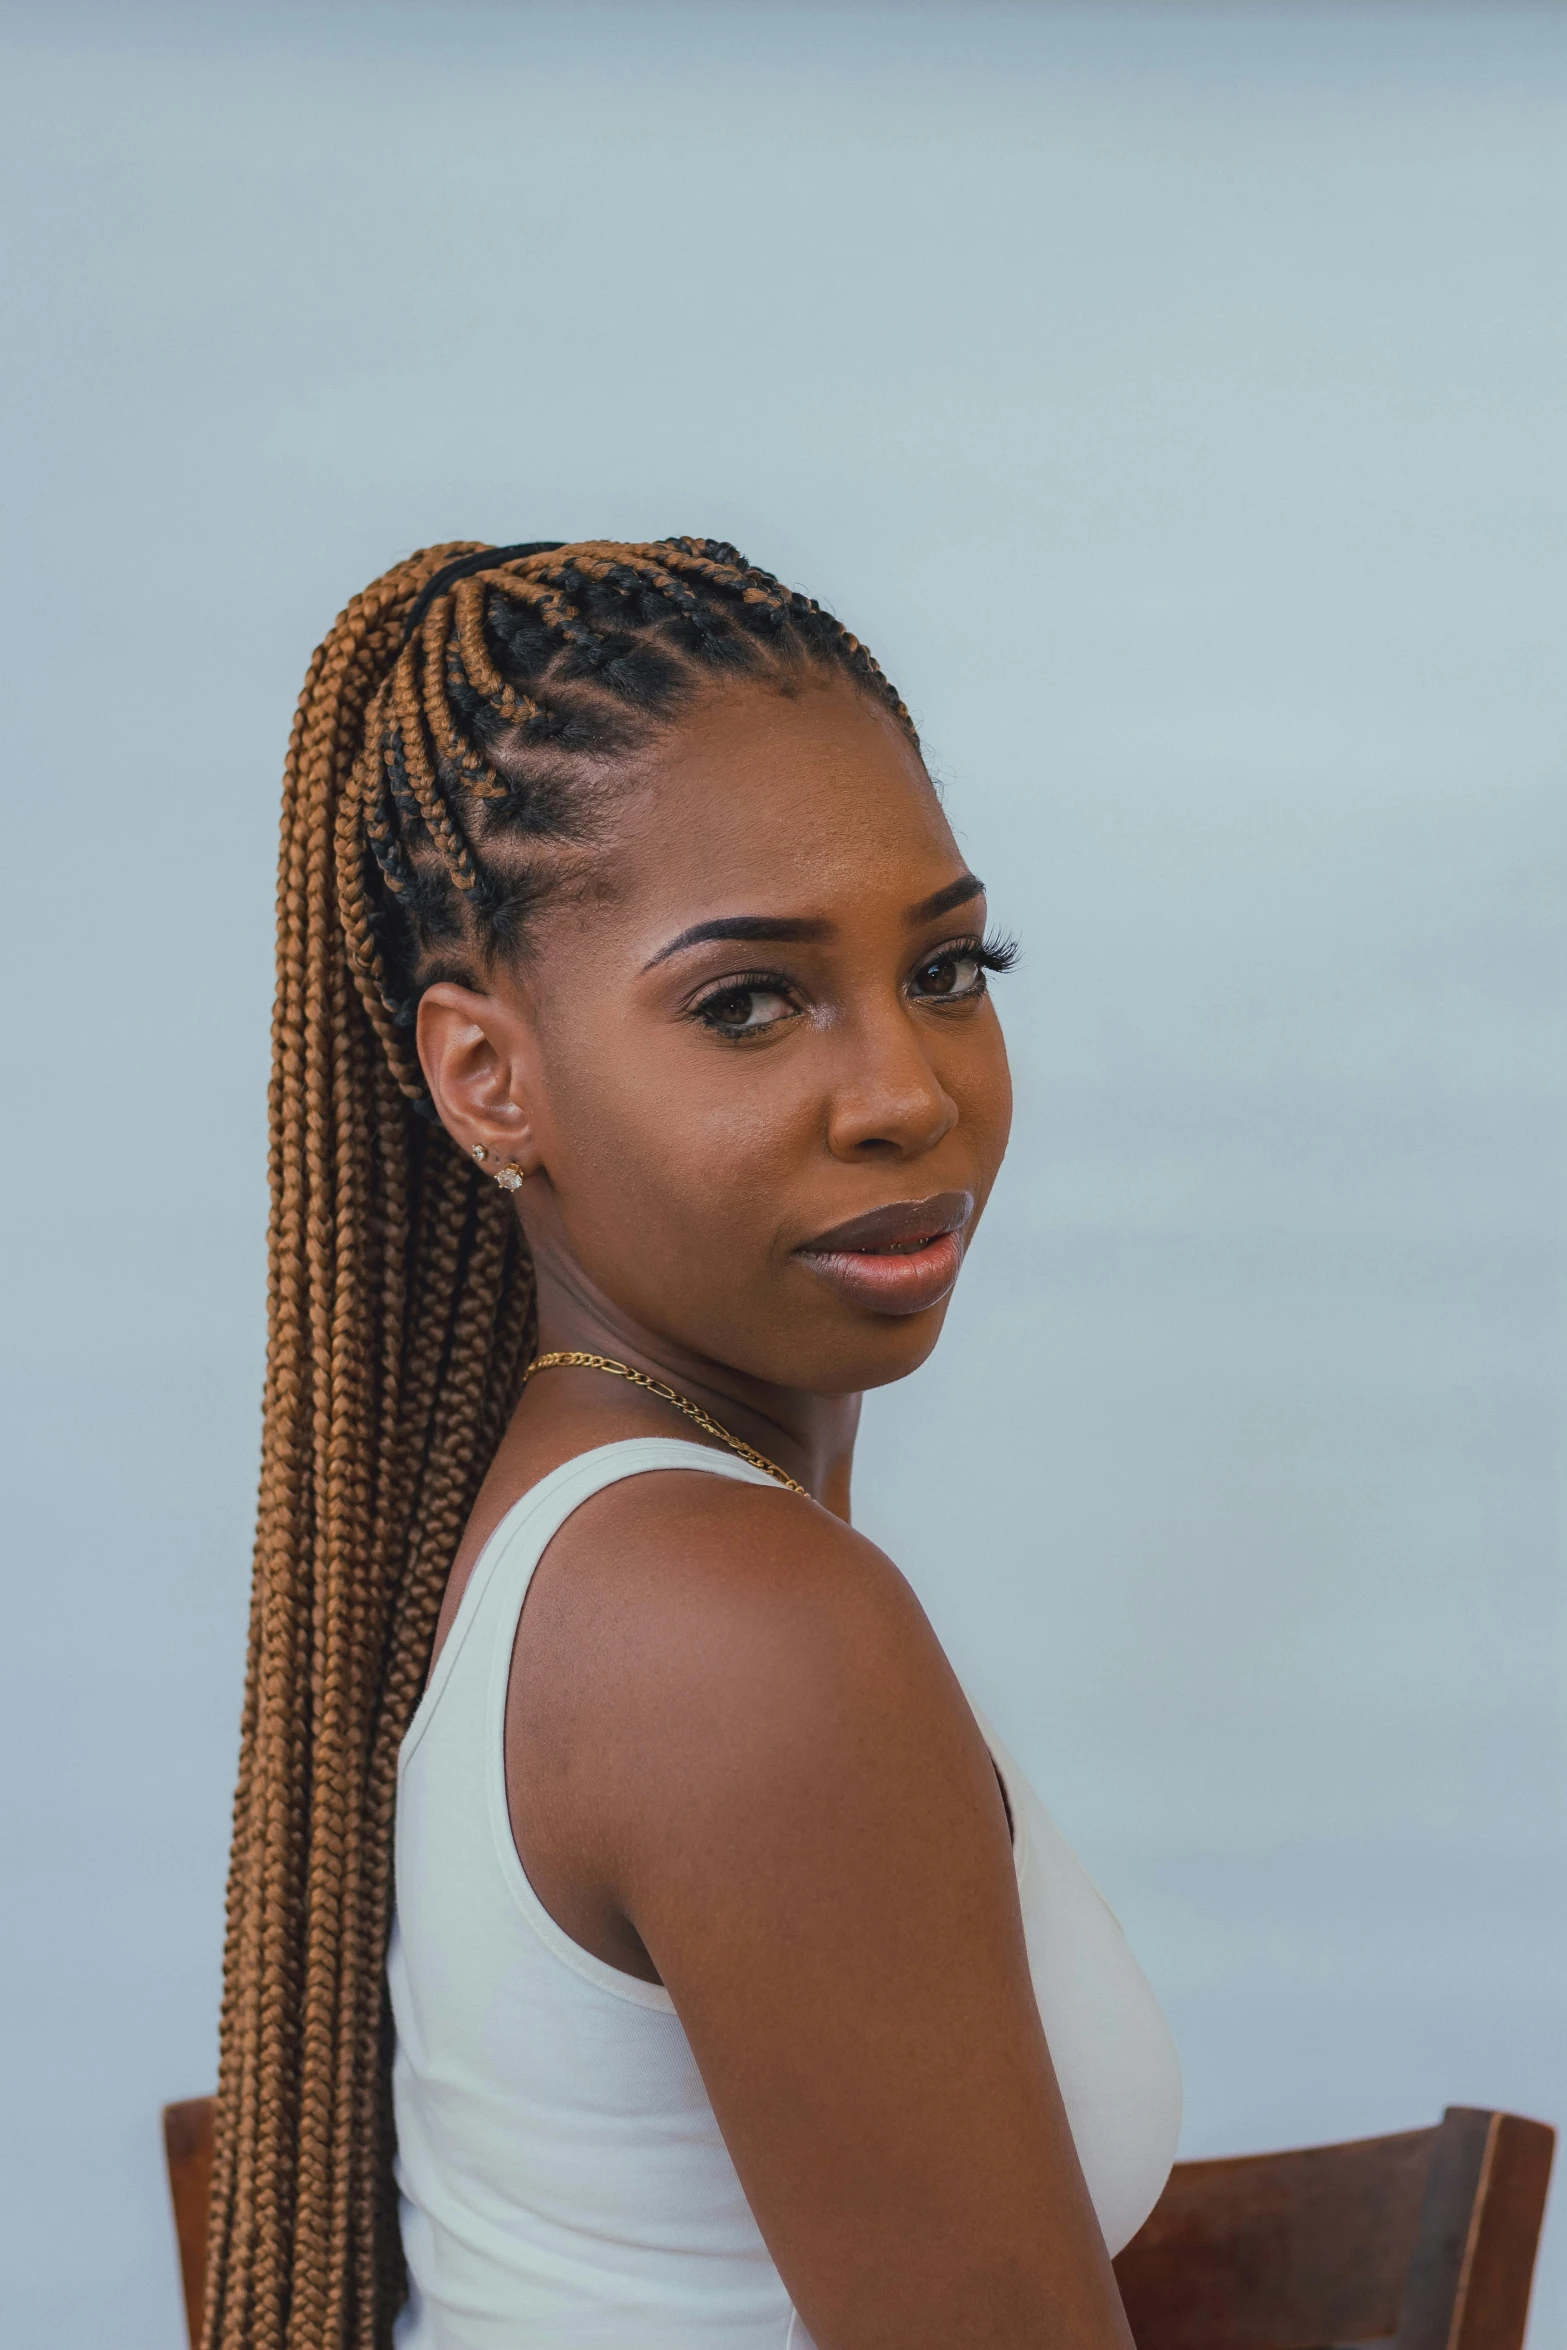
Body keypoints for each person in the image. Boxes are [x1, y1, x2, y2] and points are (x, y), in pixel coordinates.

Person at [206, 539, 1181, 2350]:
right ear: (486, 1074)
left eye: (951, 967)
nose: (906, 1091)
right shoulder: (729, 1626)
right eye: (749, 1000)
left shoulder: (553, 1543)